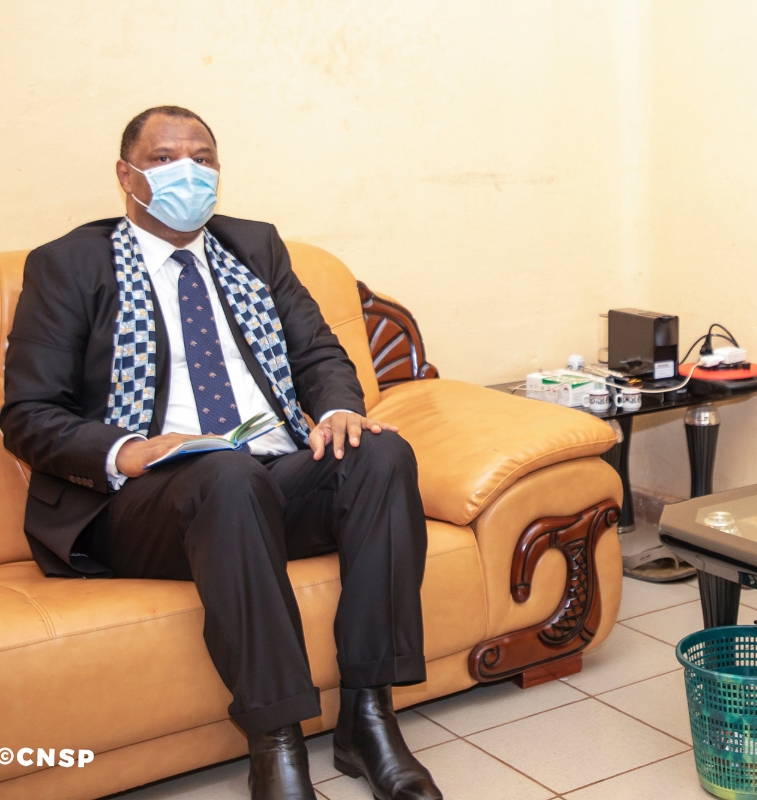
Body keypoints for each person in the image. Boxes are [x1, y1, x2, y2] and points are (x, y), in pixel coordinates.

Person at [0, 107, 442, 800]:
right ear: (127, 175)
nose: (190, 171)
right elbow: (28, 414)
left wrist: (335, 411)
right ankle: (276, 742)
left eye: (203, 158)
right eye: (167, 157)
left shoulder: (254, 247)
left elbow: (319, 351)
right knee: (225, 476)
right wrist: (132, 450)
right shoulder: (69, 264)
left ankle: (368, 715)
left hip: (264, 474)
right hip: (144, 502)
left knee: (380, 454)